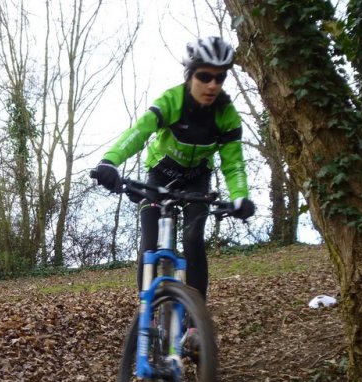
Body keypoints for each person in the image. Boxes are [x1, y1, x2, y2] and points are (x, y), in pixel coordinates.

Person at [93, 36, 255, 301]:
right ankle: (147, 317)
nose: (212, 85)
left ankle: (194, 324)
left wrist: (239, 197)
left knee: (193, 241)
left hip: (196, 180)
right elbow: (139, 132)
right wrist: (110, 161)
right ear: (190, 75)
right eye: (204, 76)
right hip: (160, 177)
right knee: (149, 242)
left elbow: (233, 163)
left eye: (220, 77)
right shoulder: (172, 100)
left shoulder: (226, 114)